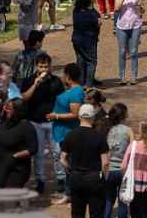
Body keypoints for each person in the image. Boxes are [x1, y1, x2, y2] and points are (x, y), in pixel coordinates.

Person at [21, 51, 65, 194]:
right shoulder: (28, 80)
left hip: (53, 123)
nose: (43, 70)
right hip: (35, 123)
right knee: (38, 153)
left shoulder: (56, 81)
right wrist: (35, 84)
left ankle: (60, 178)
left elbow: (62, 101)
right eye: (41, 67)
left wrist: (57, 115)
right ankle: (40, 180)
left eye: (46, 67)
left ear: (50, 67)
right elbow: (23, 98)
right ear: (36, 67)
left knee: (57, 152)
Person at [60, 103, 109, 218]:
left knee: (77, 213)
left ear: (79, 117)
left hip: (76, 177)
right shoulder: (99, 136)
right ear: (93, 117)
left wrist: (69, 169)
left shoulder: (70, 135)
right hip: (94, 178)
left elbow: (62, 158)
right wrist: (103, 175)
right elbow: (105, 162)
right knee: (96, 213)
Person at [49, 63, 85, 204]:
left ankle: (71, 193)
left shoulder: (75, 92)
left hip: (69, 134)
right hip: (64, 133)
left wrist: (55, 116)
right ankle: (70, 192)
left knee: (70, 164)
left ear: (68, 76)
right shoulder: (73, 91)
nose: (62, 77)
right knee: (68, 164)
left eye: (64, 74)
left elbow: (75, 114)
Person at [0, 97, 38, 188]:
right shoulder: (4, 123)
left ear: (18, 110)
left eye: (9, 108)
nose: (6, 110)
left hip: (16, 169)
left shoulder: (26, 126)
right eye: (6, 107)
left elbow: (33, 149)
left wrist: (13, 156)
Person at [104, 103, 133, 218]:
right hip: (123, 170)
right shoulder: (128, 130)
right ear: (124, 115)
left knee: (108, 199)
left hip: (108, 169)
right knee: (123, 200)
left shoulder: (106, 129)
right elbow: (132, 150)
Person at [114, 0, 143, 85]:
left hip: (135, 25)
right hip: (122, 26)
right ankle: (122, 77)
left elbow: (141, 10)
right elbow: (116, 9)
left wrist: (139, 8)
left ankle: (134, 77)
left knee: (134, 51)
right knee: (122, 52)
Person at [72, 0, 102, 88]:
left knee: (81, 61)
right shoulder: (90, 13)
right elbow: (97, 22)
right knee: (91, 61)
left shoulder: (76, 10)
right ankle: (89, 84)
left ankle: (82, 81)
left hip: (77, 40)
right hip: (89, 41)